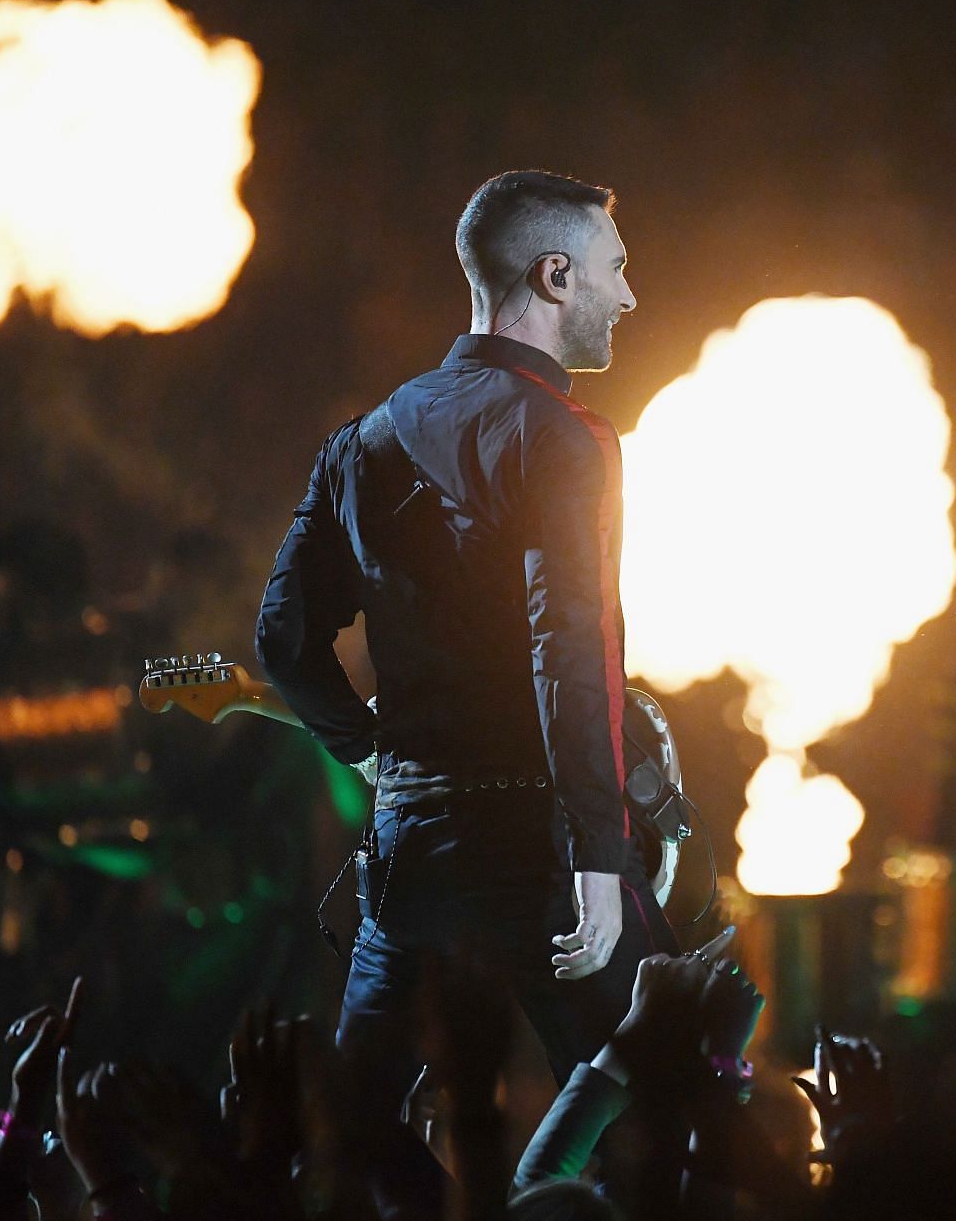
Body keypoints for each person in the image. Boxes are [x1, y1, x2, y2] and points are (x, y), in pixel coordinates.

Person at [255, 169, 668, 1194]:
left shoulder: (366, 440)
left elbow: (282, 640)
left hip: (408, 852)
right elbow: (565, 649)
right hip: (538, 849)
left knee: (353, 1124)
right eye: (616, 270)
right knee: (664, 1111)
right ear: (556, 273)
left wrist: (365, 743)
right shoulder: (561, 439)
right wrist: (599, 856)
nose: (629, 295)